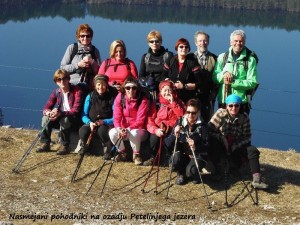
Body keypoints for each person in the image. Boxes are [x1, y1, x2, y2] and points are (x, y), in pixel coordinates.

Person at [208, 94, 268, 189]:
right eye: (230, 105)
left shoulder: (244, 117)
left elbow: (247, 137)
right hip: (221, 144)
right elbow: (209, 130)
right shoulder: (220, 113)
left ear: (240, 106)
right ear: (226, 106)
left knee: (252, 150)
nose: (233, 108)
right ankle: (218, 170)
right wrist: (221, 138)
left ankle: (257, 179)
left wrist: (235, 145)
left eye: (236, 105)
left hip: (235, 147)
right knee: (213, 142)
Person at [36, 69, 83, 155]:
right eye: (59, 79)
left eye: (64, 79)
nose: (62, 81)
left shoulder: (77, 91)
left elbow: (75, 111)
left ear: (68, 79)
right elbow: (46, 107)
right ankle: (45, 143)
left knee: (64, 119)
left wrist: (60, 113)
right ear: (56, 81)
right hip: (61, 117)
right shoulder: (56, 92)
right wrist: (49, 113)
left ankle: (64, 145)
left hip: (74, 120)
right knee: (45, 118)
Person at [212, 29, 258, 114]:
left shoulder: (250, 60)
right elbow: (214, 77)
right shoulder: (222, 57)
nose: (238, 43)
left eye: (241, 41)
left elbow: (252, 82)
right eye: (235, 41)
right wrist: (224, 75)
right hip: (224, 101)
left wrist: (233, 82)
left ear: (244, 43)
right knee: (222, 127)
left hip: (240, 103)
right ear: (230, 42)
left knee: (241, 127)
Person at [164, 99, 209, 185]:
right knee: (174, 161)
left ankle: (194, 174)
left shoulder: (203, 126)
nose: (190, 115)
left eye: (193, 113)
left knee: (191, 171)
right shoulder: (179, 122)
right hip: (182, 154)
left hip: (197, 155)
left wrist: (195, 146)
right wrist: (174, 135)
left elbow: (207, 146)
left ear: (198, 113)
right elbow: (167, 144)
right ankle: (181, 174)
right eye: (188, 112)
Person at [108, 76, 149, 165]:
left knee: (134, 133)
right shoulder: (120, 97)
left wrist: (128, 129)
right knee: (112, 132)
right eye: (128, 88)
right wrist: (119, 129)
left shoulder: (142, 100)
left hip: (139, 130)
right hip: (124, 130)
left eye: (134, 88)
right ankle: (122, 153)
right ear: (124, 88)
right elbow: (117, 116)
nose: (131, 90)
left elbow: (140, 121)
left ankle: (136, 155)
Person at [144, 80, 185, 166]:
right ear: (160, 92)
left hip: (173, 129)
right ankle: (153, 157)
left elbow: (182, 116)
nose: (167, 93)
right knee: (154, 138)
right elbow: (150, 120)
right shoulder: (157, 104)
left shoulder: (179, 102)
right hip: (159, 129)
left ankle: (169, 158)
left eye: (169, 90)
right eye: (164, 90)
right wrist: (155, 130)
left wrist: (173, 103)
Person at [78, 75, 118, 159]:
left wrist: (104, 122)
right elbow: (84, 115)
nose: (101, 87)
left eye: (103, 84)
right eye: (98, 84)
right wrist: (89, 122)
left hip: (105, 123)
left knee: (102, 131)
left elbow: (116, 116)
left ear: (107, 85)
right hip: (91, 122)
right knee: (83, 130)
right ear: (95, 85)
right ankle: (86, 147)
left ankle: (109, 150)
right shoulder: (90, 96)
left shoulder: (111, 97)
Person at [60, 24, 101, 93]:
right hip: (73, 86)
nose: (85, 38)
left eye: (88, 36)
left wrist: (92, 62)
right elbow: (63, 68)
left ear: (91, 37)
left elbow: (99, 72)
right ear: (78, 37)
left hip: (89, 87)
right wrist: (78, 65)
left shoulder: (95, 51)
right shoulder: (72, 48)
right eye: (82, 36)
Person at [162, 38, 201, 103]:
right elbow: (162, 76)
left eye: (186, 47)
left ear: (188, 49)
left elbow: (200, 83)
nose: (184, 48)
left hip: (188, 99)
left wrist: (184, 86)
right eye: (181, 46)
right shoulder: (170, 60)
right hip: (172, 97)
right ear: (177, 48)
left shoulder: (192, 62)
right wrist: (169, 82)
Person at [139, 30, 173, 100]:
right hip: (149, 90)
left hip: (164, 90)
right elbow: (140, 76)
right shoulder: (145, 57)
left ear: (161, 42)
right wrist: (146, 82)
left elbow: (172, 73)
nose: (154, 43)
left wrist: (165, 81)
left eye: (157, 41)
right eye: (151, 41)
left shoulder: (168, 55)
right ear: (148, 43)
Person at [194, 31, 218, 123]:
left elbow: (217, 78)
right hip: (194, 95)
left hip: (209, 97)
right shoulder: (190, 58)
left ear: (208, 42)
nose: (202, 43)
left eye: (205, 40)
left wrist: (214, 93)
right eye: (200, 41)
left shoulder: (215, 59)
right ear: (196, 42)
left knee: (208, 122)